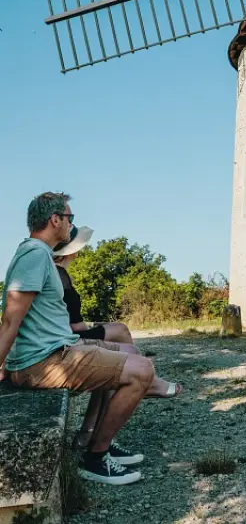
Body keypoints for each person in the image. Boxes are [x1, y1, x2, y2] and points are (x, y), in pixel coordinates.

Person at [0, 192, 154, 485]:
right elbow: (10, 319)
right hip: (44, 361)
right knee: (142, 371)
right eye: (70, 218)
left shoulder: (39, 253)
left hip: (58, 350)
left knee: (131, 354)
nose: (72, 224)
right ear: (55, 220)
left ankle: (97, 440)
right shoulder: (34, 255)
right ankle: (96, 459)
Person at [52, 225, 182, 451]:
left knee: (119, 334)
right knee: (120, 333)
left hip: (69, 332)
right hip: (68, 335)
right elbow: (73, 323)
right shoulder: (59, 275)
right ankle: (137, 384)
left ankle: (93, 429)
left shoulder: (59, 273)